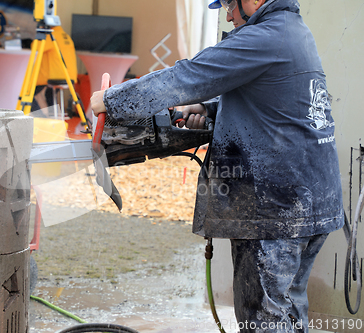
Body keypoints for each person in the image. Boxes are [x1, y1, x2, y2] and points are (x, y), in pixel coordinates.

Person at [90, 0, 344, 332]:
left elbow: (189, 74)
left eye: (228, 3)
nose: (227, 14)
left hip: (276, 210)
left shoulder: (264, 37)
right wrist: (208, 109)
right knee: (289, 314)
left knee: (264, 321)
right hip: (310, 203)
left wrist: (112, 101)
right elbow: (269, 102)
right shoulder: (292, 31)